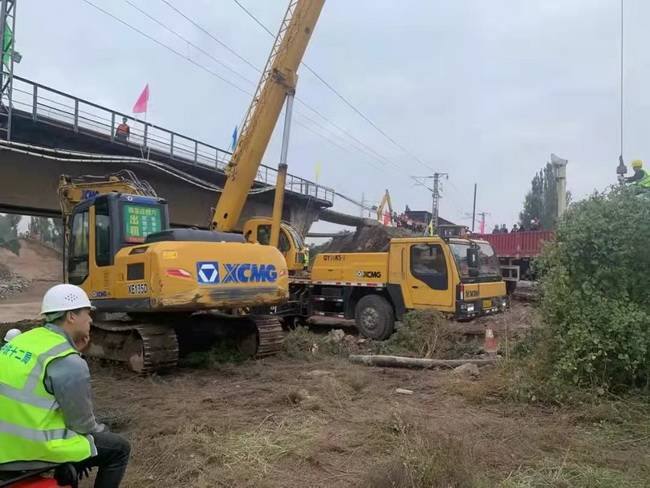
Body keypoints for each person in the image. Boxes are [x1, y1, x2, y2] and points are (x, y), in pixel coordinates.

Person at [0, 284, 130, 488]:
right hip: (23, 449)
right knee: (119, 448)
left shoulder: (25, 340)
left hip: (5, 440)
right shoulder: (68, 362)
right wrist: (103, 429)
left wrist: (72, 351)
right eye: (87, 313)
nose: (90, 320)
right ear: (71, 316)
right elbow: (82, 424)